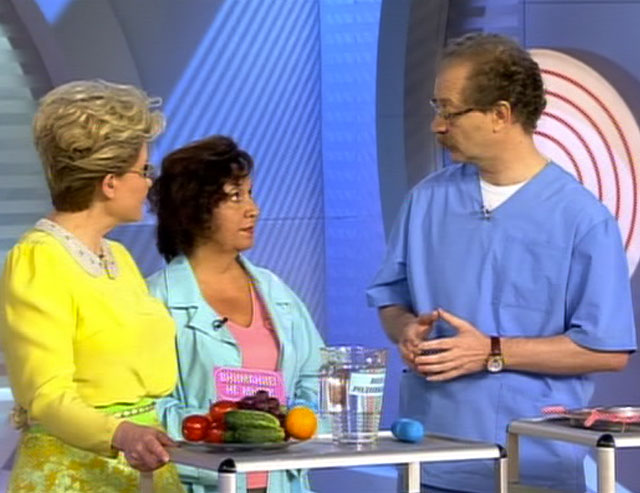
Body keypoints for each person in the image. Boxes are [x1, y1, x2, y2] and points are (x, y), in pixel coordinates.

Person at [366, 33, 636, 493]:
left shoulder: (582, 219)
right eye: (436, 108)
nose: (437, 125)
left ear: (501, 114)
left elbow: (607, 351)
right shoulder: (426, 201)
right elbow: (391, 298)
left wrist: (492, 351)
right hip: (431, 462)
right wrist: (405, 328)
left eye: (449, 111)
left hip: (534, 469)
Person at [0, 80, 184, 492]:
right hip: (72, 474)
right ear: (109, 181)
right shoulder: (38, 260)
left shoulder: (119, 257)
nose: (150, 182)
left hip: (143, 467)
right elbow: (46, 394)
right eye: (144, 170)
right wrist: (120, 434)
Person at [147, 135, 324, 493]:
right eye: (235, 196)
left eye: (251, 194)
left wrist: (291, 422)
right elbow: (146, 408)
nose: (253, 209)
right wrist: (224, 429)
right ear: (194, 208)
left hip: (282, 482)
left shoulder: (274, 291)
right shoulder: (156, 300)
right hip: (201, 482)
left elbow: (316, 374)